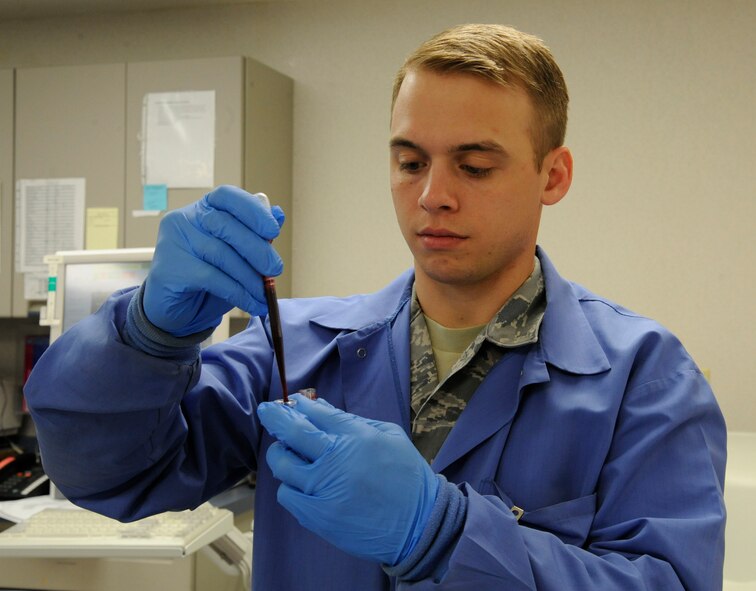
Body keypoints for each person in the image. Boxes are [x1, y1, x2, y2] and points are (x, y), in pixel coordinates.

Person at [25, 23, 726, 590]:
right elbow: (109, 473)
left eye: (474, 165)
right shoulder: (297, 347)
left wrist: (445, 535)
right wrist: (145, 336)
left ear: (554, 174)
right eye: (410, 161)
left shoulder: (643, 377)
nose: (432, 196)